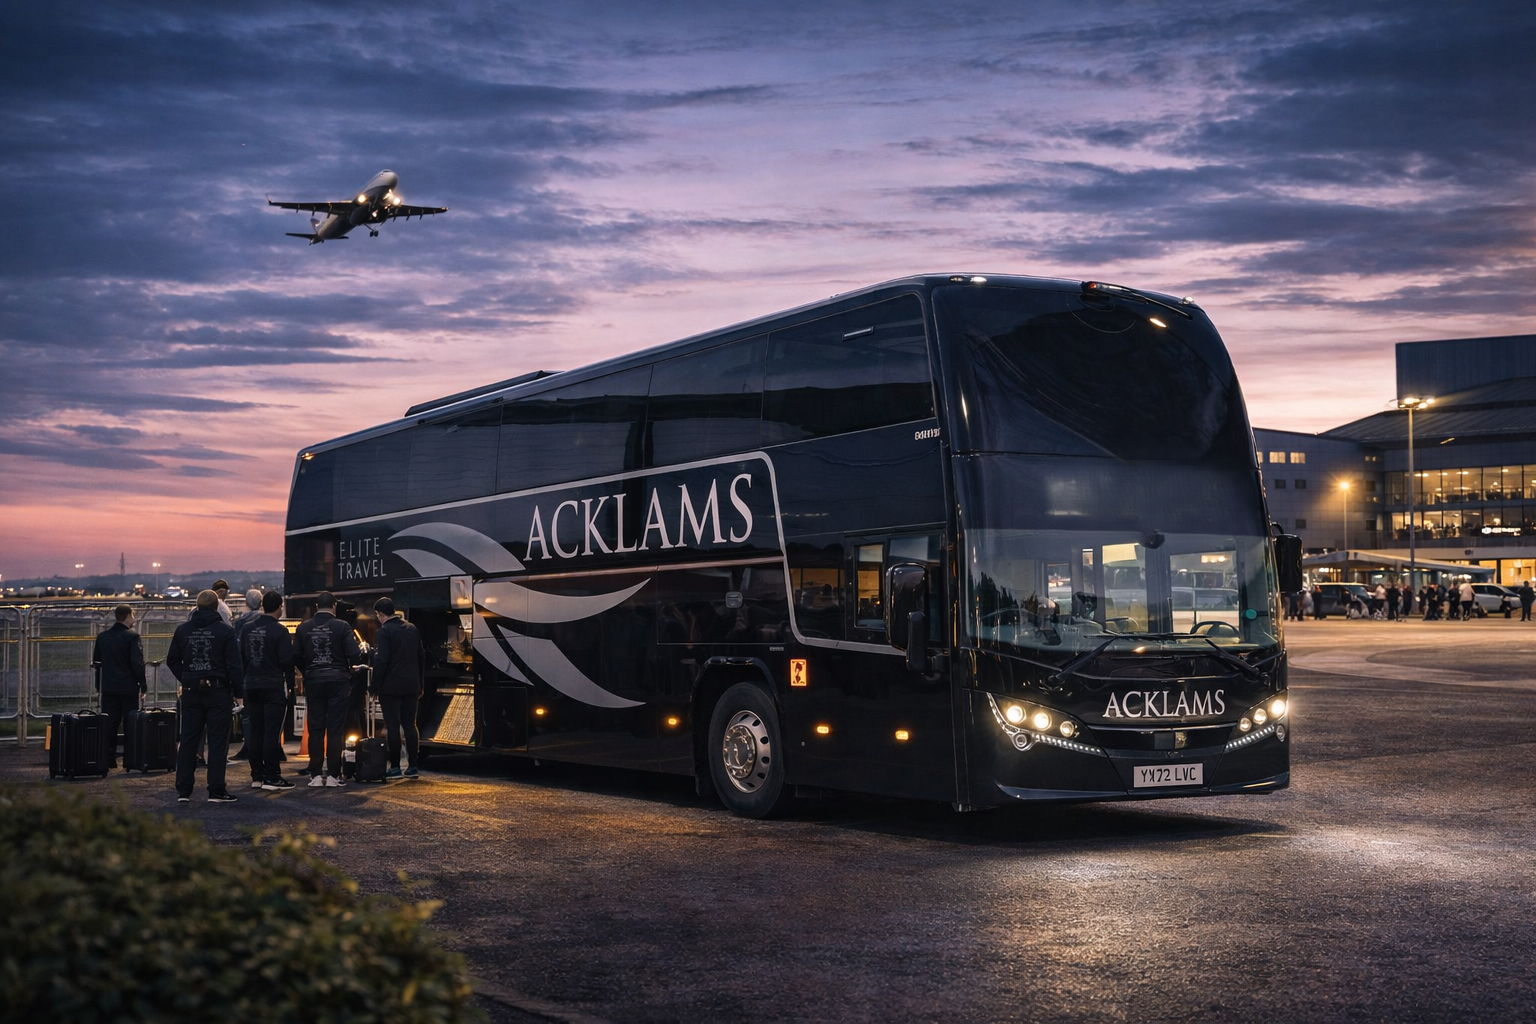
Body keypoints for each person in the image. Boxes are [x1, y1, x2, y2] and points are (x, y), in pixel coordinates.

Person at [167, 590, 243, 803]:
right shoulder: (225, 632)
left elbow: (172, 659)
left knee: (189, 740)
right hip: (218, 691)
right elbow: (234, 665)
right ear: (216, 607)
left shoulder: (183, 630)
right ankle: (216, 789)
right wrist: (239, 693)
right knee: (218, 742)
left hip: (191, 693)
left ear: (197, 606)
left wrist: (188, 679)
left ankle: (184, 790)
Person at [295, 591, 361, 788]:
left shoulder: (304, 627)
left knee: (316, 728)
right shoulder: (342, 626)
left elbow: (295, 655)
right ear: (334, 606)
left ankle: (315, 774)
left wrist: (308, 672)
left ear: (316, 606)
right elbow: (355, 654)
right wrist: (348, 668)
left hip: (314, 680)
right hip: (338, 681)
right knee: (335, 729)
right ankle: (333, 775)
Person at [239, 590, 296, 791]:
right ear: (280, 607)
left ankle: (257, 775)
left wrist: (240, 686)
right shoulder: (280, 631)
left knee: (255, 731)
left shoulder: (246, 629)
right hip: (272, 686)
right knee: (271, 732)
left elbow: (242, 658)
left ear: (263, 606)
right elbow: (287, 662)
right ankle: (272, 776)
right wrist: (291, 687)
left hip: (251, 685)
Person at [371, 597, 426, 780]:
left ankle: (395, 767)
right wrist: (420, 684)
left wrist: (374, 686)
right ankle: (413, 766)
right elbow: (421, 657)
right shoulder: (412, 628)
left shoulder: (384, 631)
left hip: (391, 687)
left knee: (393, 726)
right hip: (412, 684)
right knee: (410, 725)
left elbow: (382, 660)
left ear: (380, 614)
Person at [91, 604, 147, 770]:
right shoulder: (132, 637)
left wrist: (99, 685)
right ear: (129, 615)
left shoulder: (103, 637)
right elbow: (137, 663)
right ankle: (130, 759)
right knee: (130, 723)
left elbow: (97, 662)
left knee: (110, 723)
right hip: (128, 687)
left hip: (108, 686)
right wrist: (142, 685)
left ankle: (108, 758)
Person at [229, 589, 264, 761]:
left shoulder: (241, 623)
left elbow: (238, 651)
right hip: (266, 673)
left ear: (248, 603)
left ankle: (249, 746)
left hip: (248, 674)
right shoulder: (266, 620)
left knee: (248, 714)